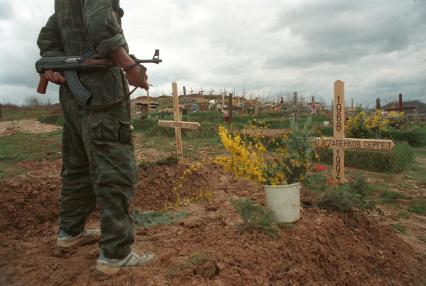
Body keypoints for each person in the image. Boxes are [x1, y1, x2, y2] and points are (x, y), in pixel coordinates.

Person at [37, 0, 154, 275]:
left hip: (72, 96)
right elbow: (101, 21)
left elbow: (48, 36)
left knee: (77, 169)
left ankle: (70, 232)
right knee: (115, 170)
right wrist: (129, 66)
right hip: (101, 93)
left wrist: (54, 61)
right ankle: (115, 254)